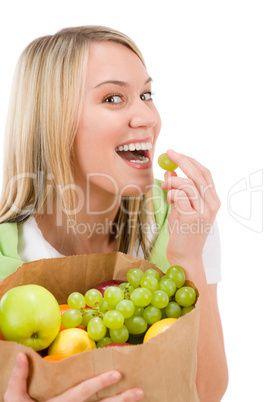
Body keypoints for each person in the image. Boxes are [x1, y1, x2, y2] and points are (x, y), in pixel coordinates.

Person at [0, 26, 228, 401]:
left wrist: (188, 258)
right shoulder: (9, 256)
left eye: (146, 95)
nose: (148, 118)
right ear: (52, 120)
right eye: (113, 98)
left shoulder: (179, 220)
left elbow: (206, 392)